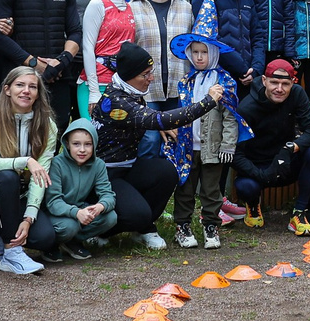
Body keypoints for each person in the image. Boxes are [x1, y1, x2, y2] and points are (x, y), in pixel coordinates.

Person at [93, 41, 220, 246]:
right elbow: (153, 118)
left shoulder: (129, 91)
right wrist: (208, 102)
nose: (150, 78)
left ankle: (143, 227)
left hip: (129, 165)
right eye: (145, 74)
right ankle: (99, 231)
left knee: (166, 171)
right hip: (106, 174)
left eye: (151, 72)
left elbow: (146, 118)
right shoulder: (117, 101)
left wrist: (155, 124)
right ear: (128, 76)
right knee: (137, 214)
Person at [169, 17, 244, 246]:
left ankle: (210, 226)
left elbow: (231, 117)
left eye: (204, 52)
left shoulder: (225, 81)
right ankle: (182, 227)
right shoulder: (185, 81)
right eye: (196, 52)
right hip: (187, 146)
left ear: (213, 52)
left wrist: (228, 145)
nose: (200, 57)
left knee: (211, 190)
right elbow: (178, 111)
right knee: (185, 188)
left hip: (212, 147)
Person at [0, 65, 57, 274]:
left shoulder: (48, 126)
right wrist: (27, 160)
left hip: (19, 195)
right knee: (7, 176)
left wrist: (28, 218)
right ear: (7, 89)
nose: (26, 91)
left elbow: (41, 177)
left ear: (38, 94)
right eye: (20, 85)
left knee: (45, 237)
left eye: (32, 87)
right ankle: (12, 253)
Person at [232, 58, 310, 229]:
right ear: (264, 81)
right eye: (274, 83)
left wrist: (290, 148)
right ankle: (252, 206)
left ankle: (299, 211)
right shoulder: (246, 108)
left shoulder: (297, 93)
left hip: (286, 159)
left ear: (293, 82)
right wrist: (261, 175)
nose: (279, 89)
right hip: (258, 166)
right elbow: (235, 154)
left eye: (285, 84)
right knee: (245, 186)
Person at [125, 0, 194, 112]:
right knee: (151, 137)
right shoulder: (133, 8)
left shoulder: (186, 7)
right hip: (145, 88)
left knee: (177, 134)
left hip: (178, 86)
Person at [45, 120, 119, 260]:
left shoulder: (98, 165)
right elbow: (53, 202)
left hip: (80, 209)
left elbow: (108, 194)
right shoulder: (56, 164)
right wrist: (76, 212)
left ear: (95, 145)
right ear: (67, 144)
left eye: (88, 144)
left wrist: (100, 206)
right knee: (69, 226)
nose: (82, 150)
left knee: (110, 217)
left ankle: (71, 242)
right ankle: (50, 244)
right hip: (56, 214)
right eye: (76, 144)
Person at [78, 0, 138, 119]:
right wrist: (94, 92)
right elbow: (88, 47)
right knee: (92, 138)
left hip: (121, 84)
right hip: (98, 83)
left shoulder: (129, 7)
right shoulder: (97, 4)